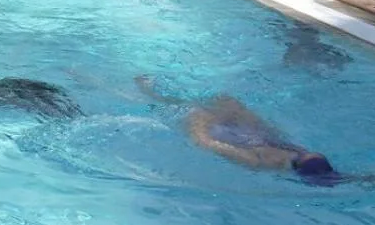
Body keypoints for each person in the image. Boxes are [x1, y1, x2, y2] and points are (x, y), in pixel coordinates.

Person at [136, 76, 349, 184]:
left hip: (219, 134)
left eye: (301, 156)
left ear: (294, 165)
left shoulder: (255, 161)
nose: (301, 152)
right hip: (249, 133)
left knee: (191, 109)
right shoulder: (295, 152)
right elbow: (268, 131)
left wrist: (199, 124)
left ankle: (147, 91)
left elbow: (206, 143)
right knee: (226, 99)